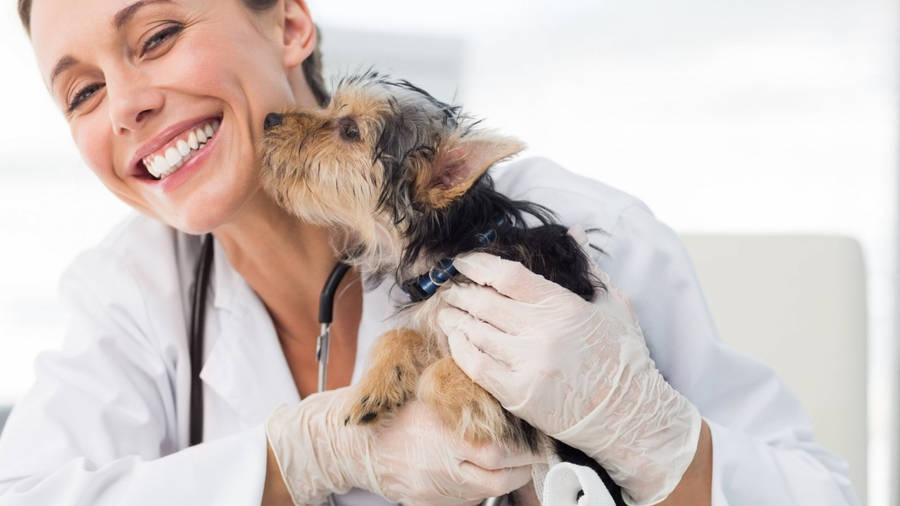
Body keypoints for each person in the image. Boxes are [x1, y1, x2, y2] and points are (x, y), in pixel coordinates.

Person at [0, 0, 859, 505]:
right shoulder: (130, 292)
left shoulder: (570, 233)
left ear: (291, 23)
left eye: (155, 35)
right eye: (81, 92)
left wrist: (653, 439)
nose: (126, 105)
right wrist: (298, 455)